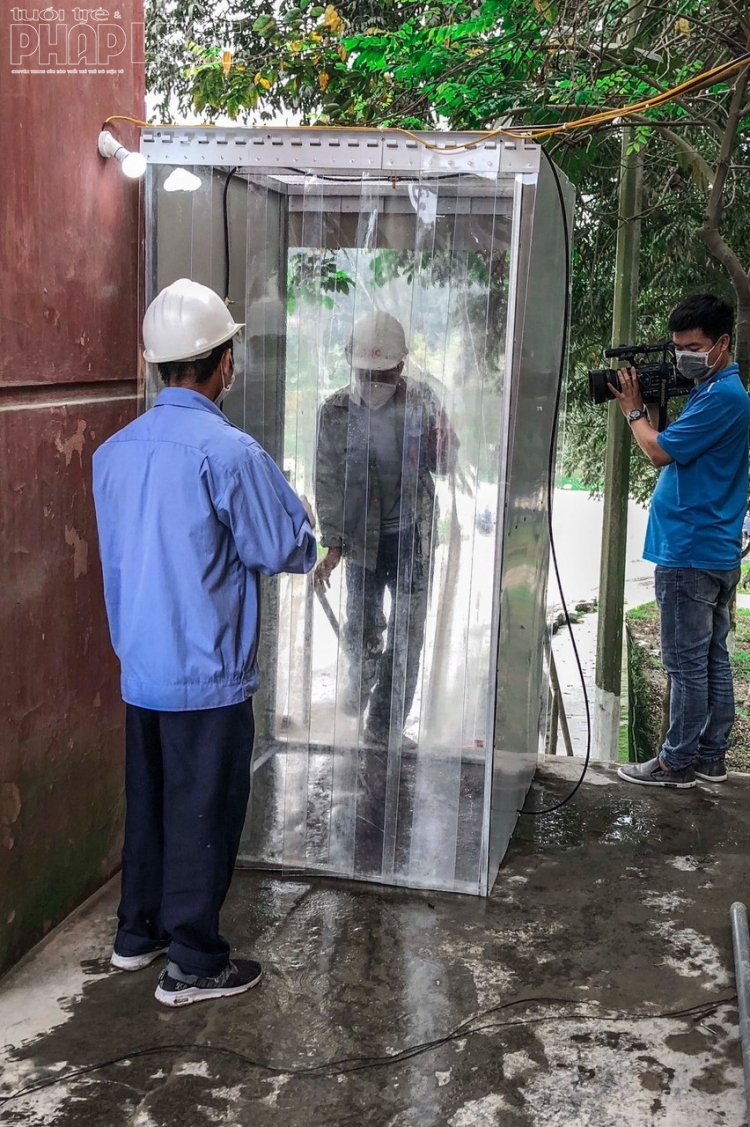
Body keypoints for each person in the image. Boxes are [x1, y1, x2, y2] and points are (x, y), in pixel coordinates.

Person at [93, 279, 316, 1006]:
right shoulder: (229, 452)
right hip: (206, 672)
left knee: (153, 803)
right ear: (223, 362)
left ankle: (138, 933)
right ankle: (192, 960)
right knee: (203, 812)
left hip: (143, 666)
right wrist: (312, 534)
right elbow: (285, 543)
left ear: (160, 364)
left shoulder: (114, 452)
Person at [614, 294, 750, 789]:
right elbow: (679, 443)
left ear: (722, 344)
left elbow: (657, 451)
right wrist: (652, 403)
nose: (684, 357)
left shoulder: (721, 397)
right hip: (712, 546)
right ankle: (711, 757)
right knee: (712, 657)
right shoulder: (715, 392)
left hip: (690, 551)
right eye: (677, 349)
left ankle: (676, 763)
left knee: (684, 664)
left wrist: (633, 411)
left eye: (693, 346)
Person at [314, 310, 457, 747]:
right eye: (366, 373)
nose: (374, 382)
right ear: (348, 363)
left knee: (407, 636)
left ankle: (383, 727)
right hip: (361, 542)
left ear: (401, 366)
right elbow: (326, 478)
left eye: (384, 373)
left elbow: (445, 464)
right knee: (361, 631)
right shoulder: (335, 411)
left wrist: (443, 445)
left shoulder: (422, 401)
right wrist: (333, 546)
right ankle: (356, 702)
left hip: (411, 537)